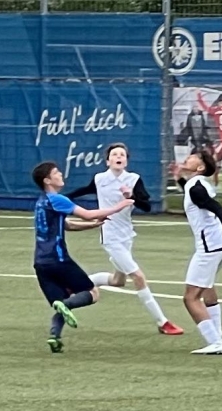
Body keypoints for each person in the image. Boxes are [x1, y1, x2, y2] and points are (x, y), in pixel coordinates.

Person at [67, 143, 181, 335]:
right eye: (114, 154)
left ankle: (75, 285)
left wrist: (132, 195)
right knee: (138, 276)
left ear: (126, 160)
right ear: (107, 161)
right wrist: (58, 199)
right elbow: (82, 191)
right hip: (110, 237)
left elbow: (146, 206)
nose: (118, 157)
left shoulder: (133, 179)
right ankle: (163, 322)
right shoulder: (100, 179)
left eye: (122, 154)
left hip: (126, 235)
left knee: (117, 281)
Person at [31, 160, 133, 353]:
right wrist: (120, 206)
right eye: (56, 172)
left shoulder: (41, 202)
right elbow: (87, 213)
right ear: (47, 180)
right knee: (92, 293)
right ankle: (65, 307)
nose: (60, 174)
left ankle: (54, 336)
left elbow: (67, 225)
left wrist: (93, 225)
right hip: (58, 259)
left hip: (40, 262)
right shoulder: (57, 199)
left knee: (61, 301)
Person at [177, 145, 222, 355]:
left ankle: (215, 342)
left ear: (200, 168)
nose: (188, 158)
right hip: (221, 247)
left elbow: (217, 208)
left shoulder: (196, 187)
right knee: (207, 288)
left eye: (194, 157)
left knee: (190, 298)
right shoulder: (196, 184)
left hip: (210, 248)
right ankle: (217, 335)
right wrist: (179, 179)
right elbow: (197, 200)